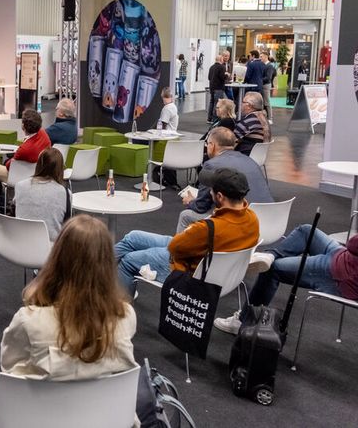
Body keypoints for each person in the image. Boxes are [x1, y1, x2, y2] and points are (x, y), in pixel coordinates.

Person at [0, 215, 137, 381]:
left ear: (57, 258)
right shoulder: (126, 316)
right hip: (102, 406)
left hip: (42, 405)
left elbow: (9, 368)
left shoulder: (29, 320)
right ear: (107, 263)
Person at [115, 168, 260, 295]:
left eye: (211, 189)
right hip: (210, 261)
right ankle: (97, 270)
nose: (209, 192)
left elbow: (174, 248)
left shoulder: (208, 227)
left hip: (190, 270)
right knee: (133, 237)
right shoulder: (252, 218)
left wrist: (192, 231)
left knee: (128, 260)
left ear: (220, 196)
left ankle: (120, 312)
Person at [214, 229, 358, 335]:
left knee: (272, 270)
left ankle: (244, 320)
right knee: (306, 231)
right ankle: (270, 255)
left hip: (342, 274)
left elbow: (353, 244)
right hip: (344, 257)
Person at [176, 128, 272, 233]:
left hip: (241, 222)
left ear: (212, 146)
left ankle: (179, 249)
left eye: (207, 144)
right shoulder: (250, 160)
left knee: (186, 216)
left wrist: (190, 201)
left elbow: (200, 207)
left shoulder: (211, 165)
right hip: (270, 220)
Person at [14, 148, 71, 242]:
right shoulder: (65, 193)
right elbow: (67, 225)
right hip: (51, 249)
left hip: (20, 243)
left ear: (38, 165)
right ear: (60, 169)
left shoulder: (20, 186)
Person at [0, 109, 51, 184]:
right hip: (39, 172)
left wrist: (8, 161)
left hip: (21, 175)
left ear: (23, 126)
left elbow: (9, 166)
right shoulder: (43, 134)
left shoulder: (24, 149)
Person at [207, 53, 228, 123]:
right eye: (222, 59)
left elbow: (209, 77)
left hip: (212, 87)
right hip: (219, 88)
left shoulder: (211, 67)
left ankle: (209, 118)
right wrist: (227, 75)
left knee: (212, 102)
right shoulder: (222, 67)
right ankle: (215, 119)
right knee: (217, 103)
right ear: (221, 59)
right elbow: (222, 77)